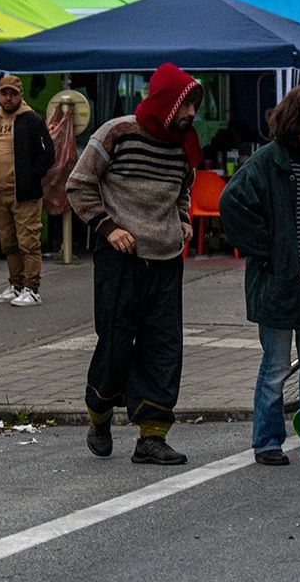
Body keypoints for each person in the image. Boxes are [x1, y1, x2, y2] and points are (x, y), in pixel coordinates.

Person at [69, 62, 203, 466]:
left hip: (165, 259)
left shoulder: (182, 143)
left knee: (163, 348)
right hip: (121, 256)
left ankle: (152, 436)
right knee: (114, 343)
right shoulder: (116, 132)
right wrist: (108, 228)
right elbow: (79, 184)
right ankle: (100, 413)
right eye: (187, 104)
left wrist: (182, 219)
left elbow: (183, 188)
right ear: (167, 101)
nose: (192, 114)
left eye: (195, 105)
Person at [219, 86, 300, 468]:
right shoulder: (268, 160)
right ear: (297, 119)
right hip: (278, 282)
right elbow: (230, 203)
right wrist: (265, 249)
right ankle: (267, 440)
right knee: (276, 367)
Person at [0, 75, 55, 308]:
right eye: (5, 93)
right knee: (9, 243)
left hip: (24, 194)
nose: (9, 97)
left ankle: (32, 289)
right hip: (0, 194)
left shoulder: (31, 120)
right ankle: (15, 284)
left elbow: (48, 153)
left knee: (28, 243)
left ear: (21, 94)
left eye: (13, 93)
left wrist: (31, 177)